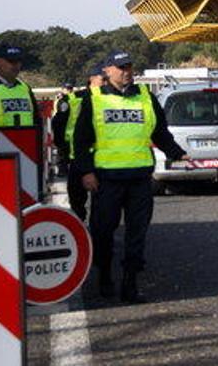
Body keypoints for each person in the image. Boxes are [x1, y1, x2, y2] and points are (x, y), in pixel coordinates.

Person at [73, 50, 188, 302]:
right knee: (103, 231)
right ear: (108, 71)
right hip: (106, 179)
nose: (126, 72)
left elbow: (160, 133)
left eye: (129, 67)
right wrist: (86, 172)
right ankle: (104, 275)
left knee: (137, 233)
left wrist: (177, 153)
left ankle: (130, 283)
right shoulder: (95, 99)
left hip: (139, 179)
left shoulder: (145, 97)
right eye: (121, 68)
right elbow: (80, 140)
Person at [51, 62, 105, 221]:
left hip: (101, 157)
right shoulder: (73, 99)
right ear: (92, 79)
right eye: (103, 79)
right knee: (76, 201)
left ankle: (98, 233)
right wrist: (63, 149)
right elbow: (57, 124)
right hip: (77, 157)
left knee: (102, 203)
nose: (106, 82)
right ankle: (80, 230)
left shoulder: (110, 99)